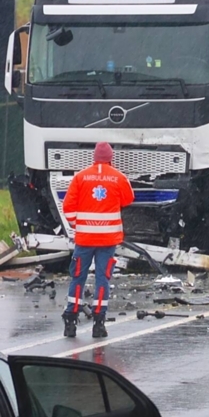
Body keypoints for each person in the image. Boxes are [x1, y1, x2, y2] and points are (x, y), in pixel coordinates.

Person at [62, 142, 134, 339]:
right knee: (103, 278)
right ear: (111, 158)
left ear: (94, 158)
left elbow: (68, 206)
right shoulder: (119, 178)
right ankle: (99, 323)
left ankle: (70, 321)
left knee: (78, 277)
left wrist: (78, 224)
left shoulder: (80, 177)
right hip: (108, 240)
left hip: (84, 239)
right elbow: (128, 199)